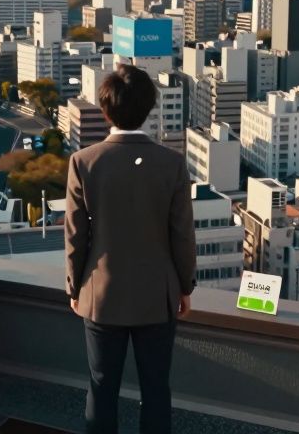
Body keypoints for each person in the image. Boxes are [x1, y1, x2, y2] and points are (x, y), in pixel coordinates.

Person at [65, 64, 196, 434]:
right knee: (156, 388)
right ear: (150, 107)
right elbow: (182, 235)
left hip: (101, 295)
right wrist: (185, 287)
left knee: (102, 386)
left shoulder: (84, 162)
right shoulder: (171, 163)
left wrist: (75, 288)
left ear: (106, 111)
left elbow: (75, 235)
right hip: (158, 295)